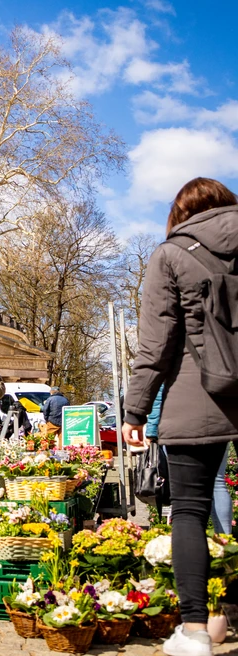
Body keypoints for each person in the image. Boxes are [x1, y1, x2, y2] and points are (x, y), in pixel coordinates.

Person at [122, 177, 238, 656]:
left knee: (189, 509)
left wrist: (136, 409)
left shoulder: (171, 254)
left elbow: (157, 344)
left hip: (199, 390)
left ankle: (194, 633)